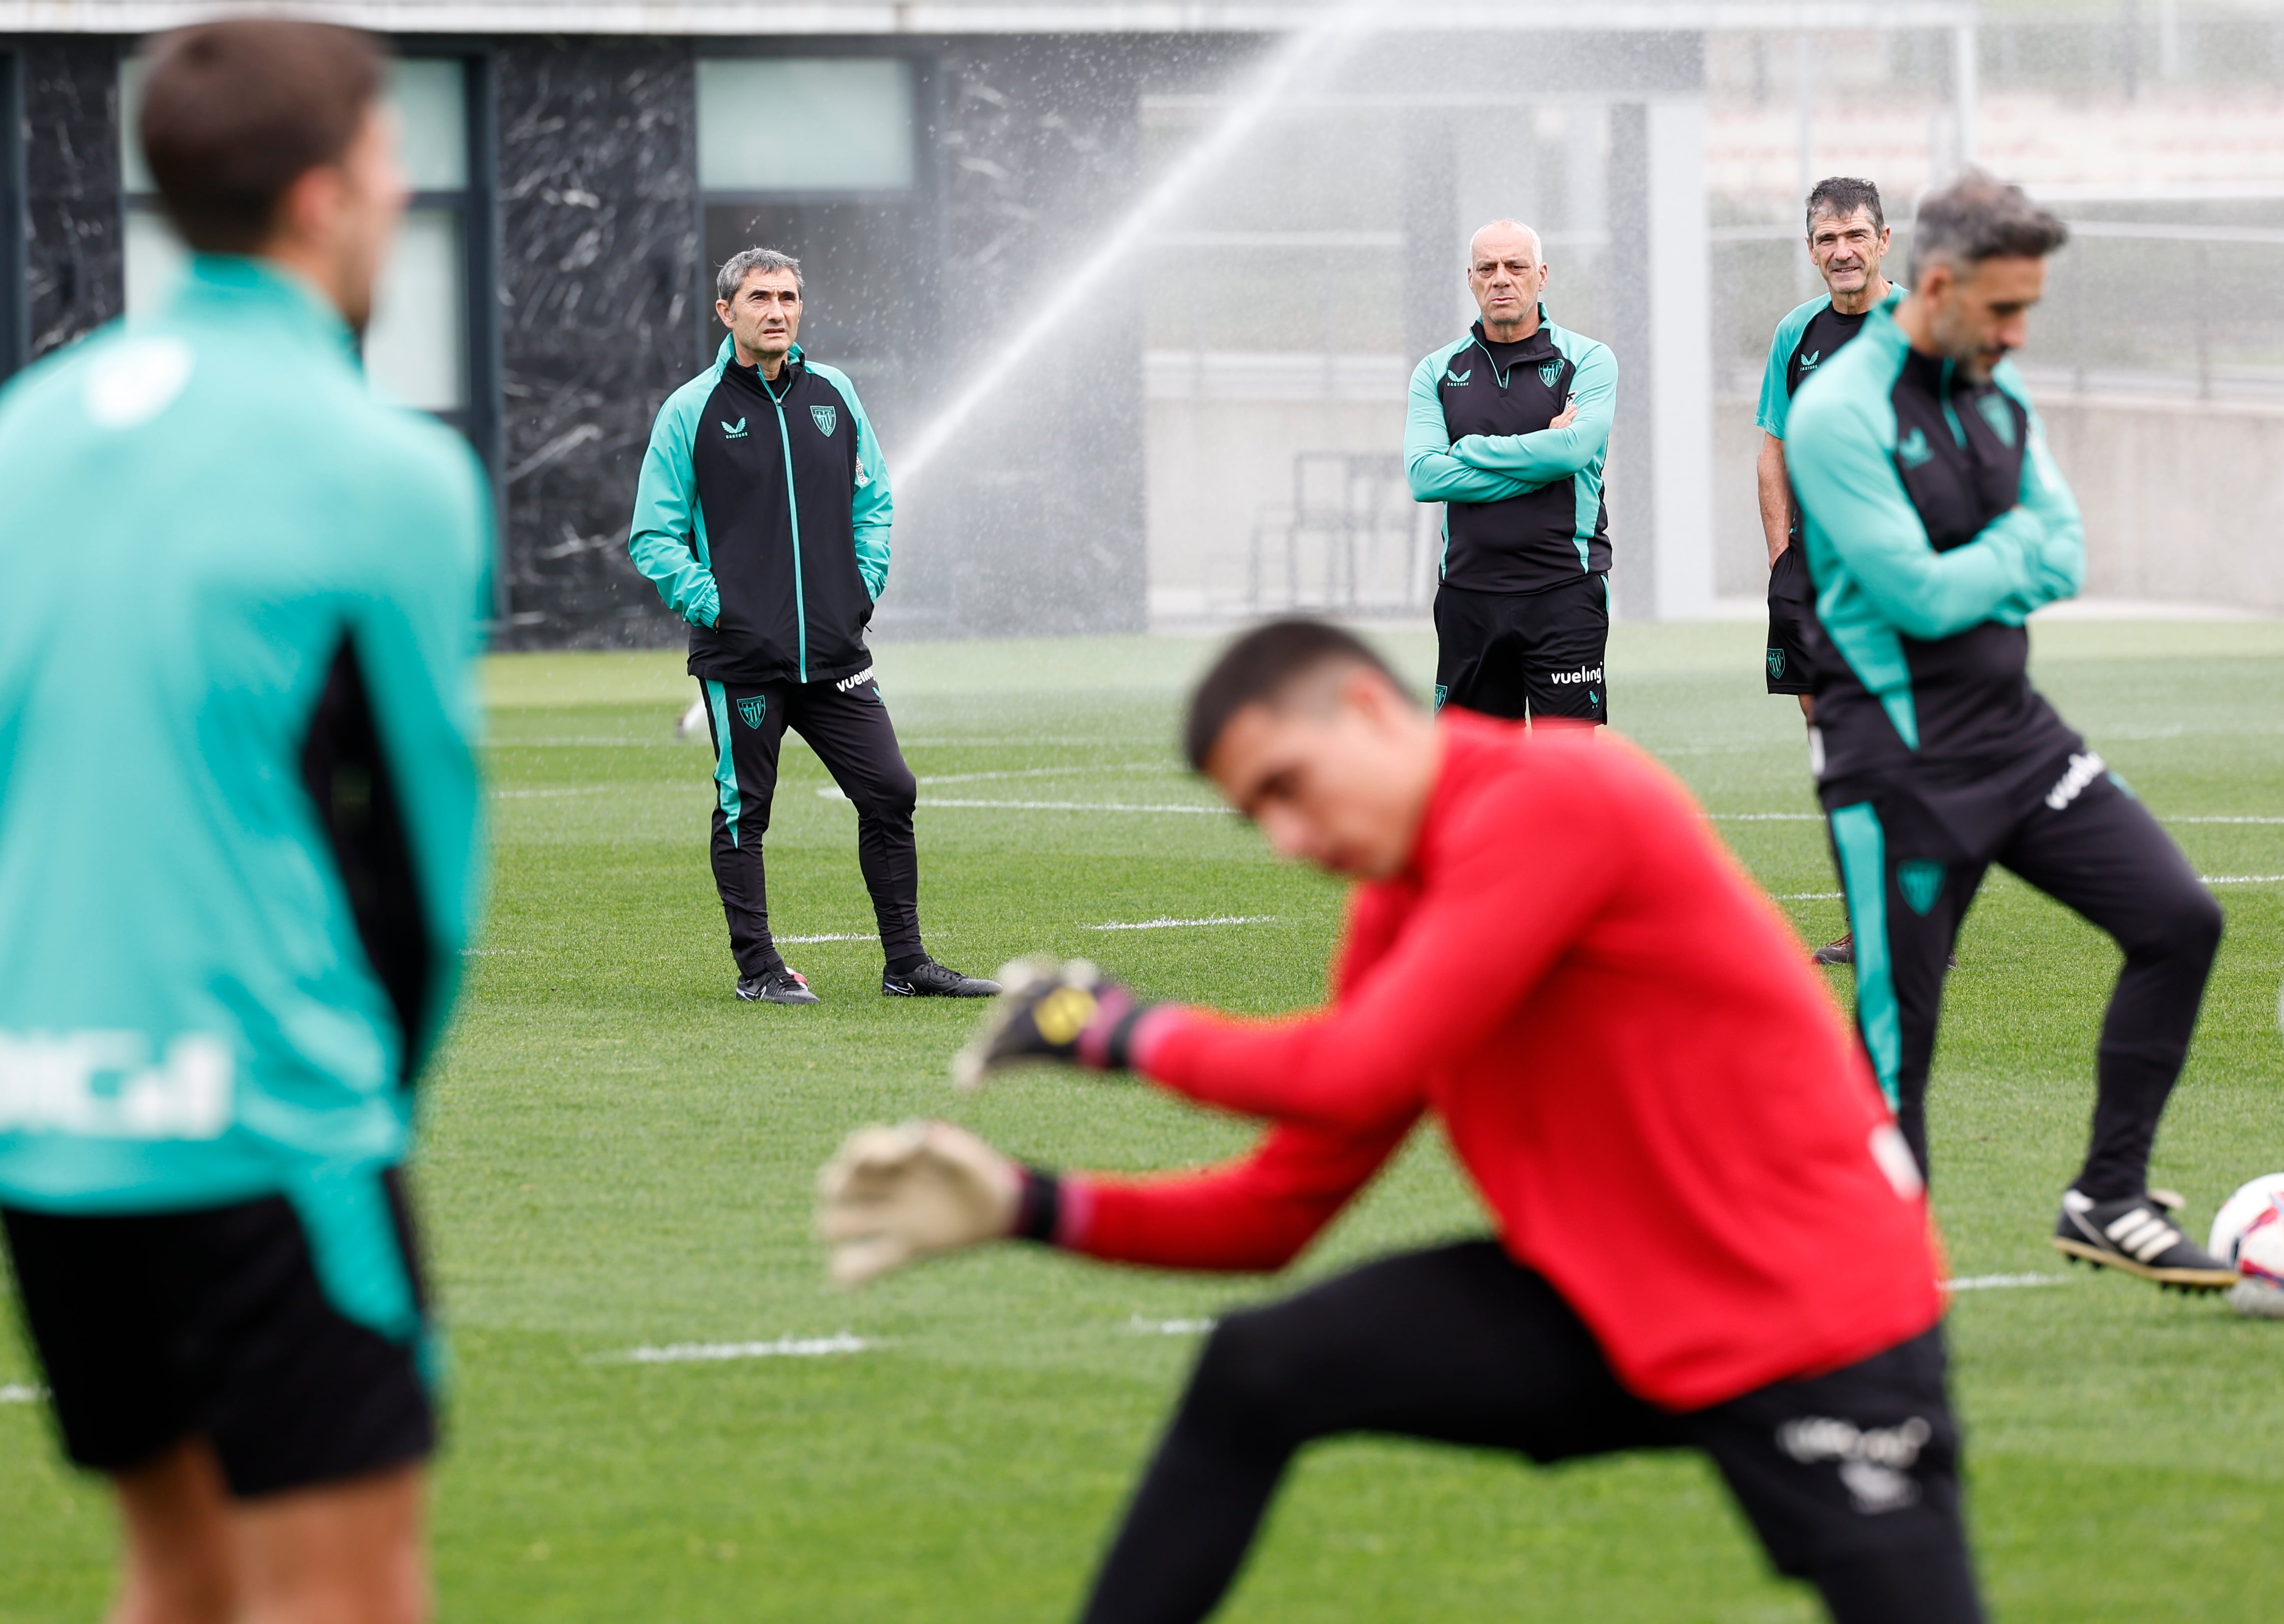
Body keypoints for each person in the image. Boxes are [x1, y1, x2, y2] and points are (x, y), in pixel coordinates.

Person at [818, 619, 1986, 1624]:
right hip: (1608, 1292)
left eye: (1285, 785)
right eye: (1252, 817)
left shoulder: (1554, 795)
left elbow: (1353, 1067)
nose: (1286, 838)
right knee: (1258, 1369)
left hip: (1809, 1316)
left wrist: (1110, 1028)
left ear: (1371, 709)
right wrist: (1028, 1206)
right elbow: (1275, 1211)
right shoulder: (1397, 906)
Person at [0, 20, 484, 1623]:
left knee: (173, 1575)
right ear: (323, 198)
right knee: (349, 1588)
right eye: (389, 165)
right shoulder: (381, 468)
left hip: (22, 1084)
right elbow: (425, 872)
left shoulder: (28, 426)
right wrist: (364, 1101)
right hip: (247, 1098)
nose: (401, 198)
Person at [1785, 172, 2229, 1287]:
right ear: (1937, 285)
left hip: (2020, 740)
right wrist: (2007, 556)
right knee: (1899, 1043)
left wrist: (1993, 562)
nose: (2020, 332)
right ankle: (1873, 1278)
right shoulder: (1836, 413)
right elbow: (1920, 598)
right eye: (2003, 309)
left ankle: (2106, 1195)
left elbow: (2065, 548)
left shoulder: (1993, 389)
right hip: (1895, 765)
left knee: (2179, 919)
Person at [630, 249, 996, 1005]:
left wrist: (862, 585)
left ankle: (908, 964)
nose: (777, 310)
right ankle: (759, 969)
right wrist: (716, 603)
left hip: (836, 651)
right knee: (745, 810)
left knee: (891, 790)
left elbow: (875, 501)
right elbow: (652, 537)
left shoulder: (835, 394)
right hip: (743, 657)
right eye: (759, 297)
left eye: (789, 296)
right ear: (725, 312)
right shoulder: (690, 411)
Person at [1758, 178, 1897, 967]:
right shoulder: (1796, 335)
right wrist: (1782, 557)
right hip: (1812, 567)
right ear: (1812, 250)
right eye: (1825, 240)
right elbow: (1773, 447)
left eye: (1854, 236)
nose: (1840, 252)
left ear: (1883, 240)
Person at [1404, 220, 1616, 726]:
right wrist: (1540, 460)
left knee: (1562, 771)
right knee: (1470, 774)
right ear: (1470, 279)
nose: (1501, 278)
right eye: (1487, 268)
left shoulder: (1587, 359)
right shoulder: (1435, 371)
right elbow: (1424, 476)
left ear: (1540, 276)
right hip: (1467, 595)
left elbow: (1572, 451)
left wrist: (1472, 449)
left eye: (1515, 266)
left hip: (1563, 592)